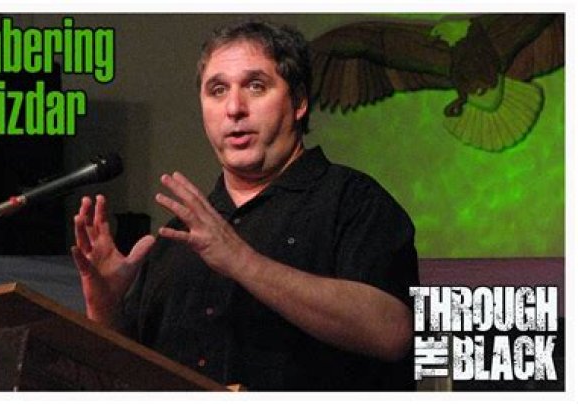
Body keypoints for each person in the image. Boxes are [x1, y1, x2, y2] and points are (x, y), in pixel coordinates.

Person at [71, 20, 419, 391]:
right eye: (217, 90)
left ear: (299, 101)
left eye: (256, 86)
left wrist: (241, 260)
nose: (234, 108)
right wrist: (106, 309)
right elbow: (130, 379)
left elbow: (393, 332)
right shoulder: (177, 239)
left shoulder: (354, 200)